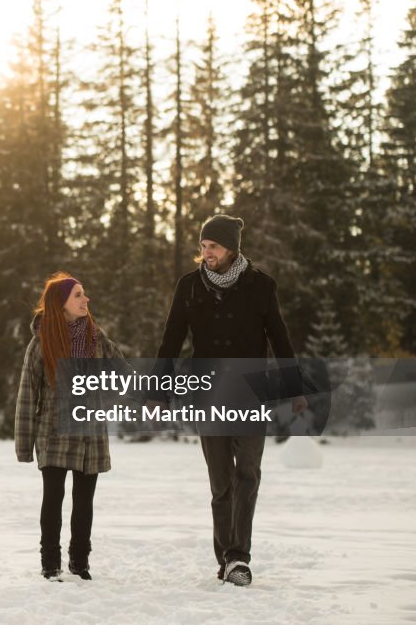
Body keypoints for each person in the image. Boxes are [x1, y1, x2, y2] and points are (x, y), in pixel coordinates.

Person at [154, 215, 307, 587]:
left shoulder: (260, 286)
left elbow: (279, 337)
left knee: (248, 474)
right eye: (203, 246)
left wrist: (293, 385)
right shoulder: (189, 287)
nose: (206, 253)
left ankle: (239, 558)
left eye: (213, 247)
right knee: (221, 483)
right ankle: (225, 557)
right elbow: (172, 338)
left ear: (231, 249)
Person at [14, 272, 123, 581]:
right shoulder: (41, 344)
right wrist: (24, 446)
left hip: (90, 434)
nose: (85, 299)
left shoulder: (95, 338)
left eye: (84, 294)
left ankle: (80, 562)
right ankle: (50, 563)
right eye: (78, 295)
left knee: (84, 501)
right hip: (54, 432)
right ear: (60, 303)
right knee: (53, 497)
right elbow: (26, 396)